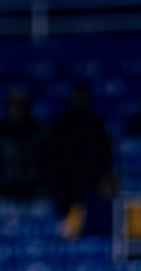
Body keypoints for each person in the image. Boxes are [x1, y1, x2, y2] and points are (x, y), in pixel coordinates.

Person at [40, 83, 114, 224]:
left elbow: (106, 158)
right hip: (66, 187)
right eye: (77, 98)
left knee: (92, 221)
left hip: (91, 186)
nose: (80, 102)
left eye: (83, 98)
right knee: (65, 225)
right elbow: (49, 158)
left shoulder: (96, 127)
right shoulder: (61, 127)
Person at [0, 88, 41, 200]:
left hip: (31, 190)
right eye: (13, 104)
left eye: (20, 104)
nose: (17, 109)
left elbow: (43, 161)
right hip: (3, 189)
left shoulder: (37, 130)